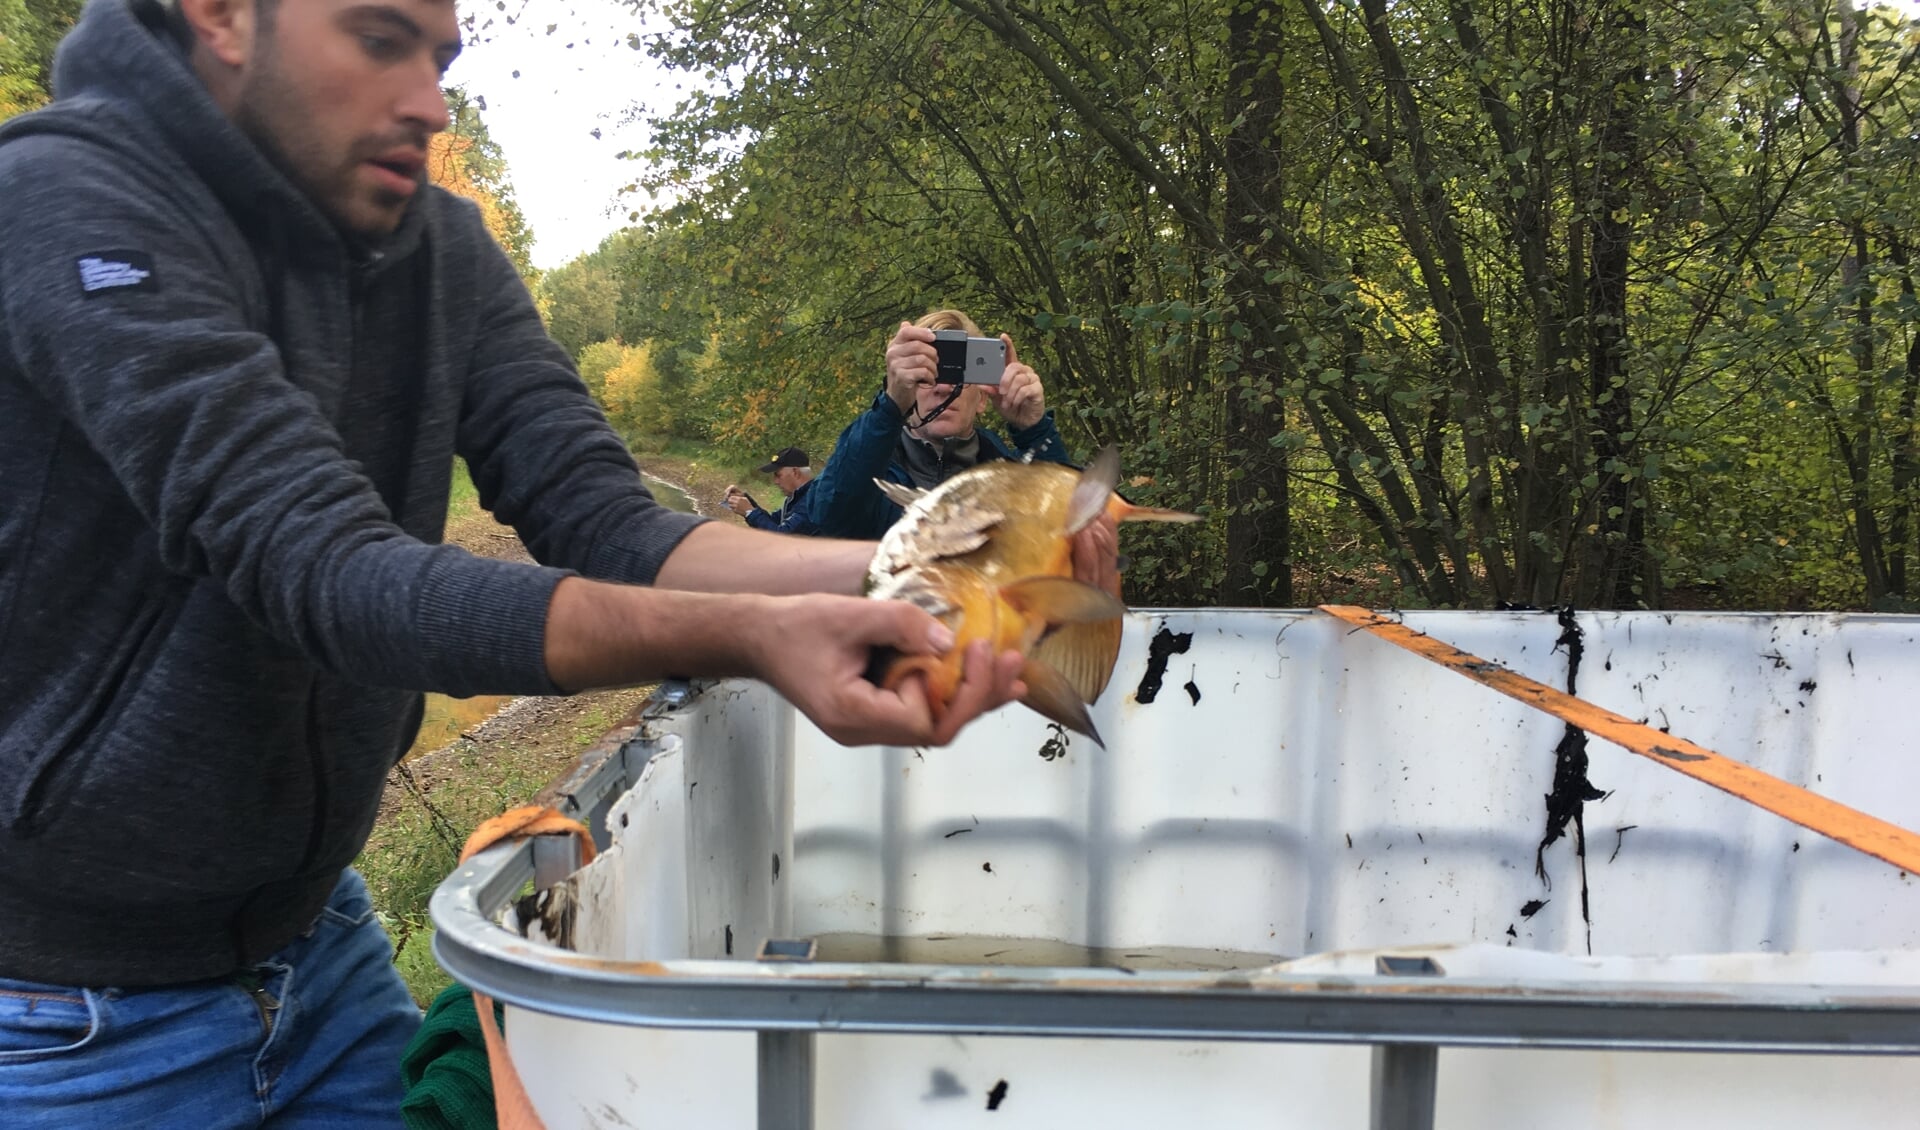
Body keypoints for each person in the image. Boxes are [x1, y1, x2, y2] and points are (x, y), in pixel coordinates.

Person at [0, 0, 1039, 1124]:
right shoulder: (65, 199)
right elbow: (329, 568)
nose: (431, 103)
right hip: (58, 1012)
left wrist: (930, 570)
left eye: (442, 59)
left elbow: (617, 524)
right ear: (219, 17)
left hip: (317, 946)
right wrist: (751, 633)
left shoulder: (441, 250)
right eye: (379, 39)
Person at [808, 309, 1075, 540]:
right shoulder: (872, 476)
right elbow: (831, 515)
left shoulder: (1013, 480)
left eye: (959, 375)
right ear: (906, 389)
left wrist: (1034, 430)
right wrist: (889, 408)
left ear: (983, 397)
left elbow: (1073, 534)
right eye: (929, 373)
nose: (945, 387)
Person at [725, 445, 818, 535]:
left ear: (795, 472)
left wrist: (750, 512)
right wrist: (747, 501)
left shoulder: (813, 500)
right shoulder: (798, 497)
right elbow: (773, 522)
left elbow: (783, 537)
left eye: (778, 475)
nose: (775, 481)